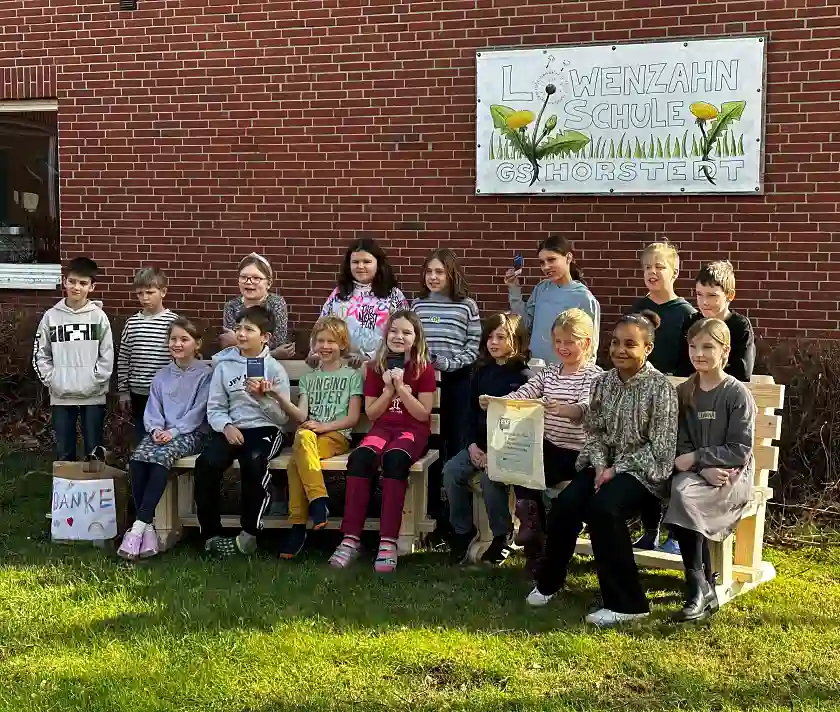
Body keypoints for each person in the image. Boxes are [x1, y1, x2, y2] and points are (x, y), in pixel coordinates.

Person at [526, 312, 678, 628]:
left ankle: (628, 603)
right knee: (566, 505)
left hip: (644, 472)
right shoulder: (603, 383)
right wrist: (598, 465)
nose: (620, 350)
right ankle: (549, 582)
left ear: (648, 348)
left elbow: (660, 449)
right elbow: (594, 432)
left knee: (603, 510)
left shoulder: (660, 388)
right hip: (602, 466)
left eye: (630, 344)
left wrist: (615, 469)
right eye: (616, 342)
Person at [493, 308, 602, 575]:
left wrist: (567, 409)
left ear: (586, 343)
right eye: (558, 342)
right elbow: (525, 392)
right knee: (520, 454)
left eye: (569, 342)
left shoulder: (595, 376)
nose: (562, 348)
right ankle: (531, 530)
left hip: (578, 453)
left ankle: (536, 536)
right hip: (549, 448)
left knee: (535, 465)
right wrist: (498, 403)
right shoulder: (550, 373)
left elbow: (589, 409)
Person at [328, 310, 436, 573]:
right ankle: (350, 538)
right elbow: (373, 413)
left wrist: (401, 389)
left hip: (411, 432)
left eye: (407, 332)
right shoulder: (375, 367)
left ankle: (388, 540)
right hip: (383, 428)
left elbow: (423, 414)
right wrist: (389, 389)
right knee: (361, 458)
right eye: (394, 331)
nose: (399, 337)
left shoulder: (423, 369)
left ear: (416, 338)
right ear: (386, 334)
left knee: (395, 459)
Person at [664, 318, 756, 623]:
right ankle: (701, 585)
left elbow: (740, 448)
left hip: (732, 475)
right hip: (701, 474)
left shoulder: (736, 394)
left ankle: (699, 586)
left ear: (725, 351)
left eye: (707, 346)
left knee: (682, 493)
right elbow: (679, 442)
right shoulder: (686, 391)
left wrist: (699, 460)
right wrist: (701, 467)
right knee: (680, 490)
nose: (698, 353)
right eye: (693, 346)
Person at [195, 305, 291, 556]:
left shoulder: (274, 370)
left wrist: (262, 398)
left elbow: (282, 419)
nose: (242, 334)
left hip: (265, 430)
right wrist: (226, 427)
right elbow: (215, 406)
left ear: (265, 337)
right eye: (239, 328)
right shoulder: (224, 367)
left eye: (249, 329)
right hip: (231, 429)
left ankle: (249, 534)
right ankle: (211, 534)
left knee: (253, 462)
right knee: (207, 463)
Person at [267, 317, 363, 559]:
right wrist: (279, 397)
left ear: (342, 344)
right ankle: (317, 503)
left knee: (298, 453)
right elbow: (301, 414)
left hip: (336, 436)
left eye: (331, 341)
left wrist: (323, 426)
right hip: (309, 437)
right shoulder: (309, 378)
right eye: (320, 341)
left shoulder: (352, 376)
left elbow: (352, 418)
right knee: (300, 447)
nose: (325, 346)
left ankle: (299, 525)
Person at [118, 317, 212, 560]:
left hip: (191, 434)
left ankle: (138, 527)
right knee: (139, 457)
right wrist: (156, 429)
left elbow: (198, 412)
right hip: (161, 432)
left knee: (160, 457)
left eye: (184, 339)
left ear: (197, 344)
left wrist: (174, 432)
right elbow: (153, 408)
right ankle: (148, 528)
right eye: (173, 339)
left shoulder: (205, 374)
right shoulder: (161, 375)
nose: (177, 344)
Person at [443, 313, 530, 566]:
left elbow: (522, 423)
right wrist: (471, 446)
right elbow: (469, 415)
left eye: (501, 337)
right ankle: (462, 531)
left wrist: (495, 454)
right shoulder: (481, 373)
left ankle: (502, 535)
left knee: (490, 478)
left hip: (507, 448)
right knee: (451, 471)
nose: (493, 342)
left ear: (517, 339)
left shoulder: (523, 376)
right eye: (490, 337)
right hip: (478, 446)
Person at [630, 240, 695, 554]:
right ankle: (650, 529)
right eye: (646, 267)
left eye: (659, 266)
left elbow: (691, 361)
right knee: (646, 465)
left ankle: (675, 534)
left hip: (676, 400)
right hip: (642, 401)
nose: (652, 272)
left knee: (672, 466)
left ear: (675, 271)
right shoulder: (637, 310)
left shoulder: (686, 314)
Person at [32, 256, 114, 461]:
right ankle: (66, 492)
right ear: (65, 281)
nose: (76, 287)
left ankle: (94, 491)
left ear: (92, 287)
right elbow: (40, 353)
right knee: (64, 453)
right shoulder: (51, 317)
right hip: (61, 394)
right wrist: (54, 379)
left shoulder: (98, 317)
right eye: (72, 281)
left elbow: (107, 354)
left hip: (93, 394)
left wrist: (96, 380)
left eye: (83, 283)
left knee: (94, 453)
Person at [411, 248, 481, 461]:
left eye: (439, 272)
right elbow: (411, 343)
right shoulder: (417, 305)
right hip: (424, 380)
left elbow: (473, 347)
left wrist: (449, 364)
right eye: (429, 271)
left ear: (451, 274)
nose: (433, 277)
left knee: (456, 432)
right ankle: (430, 490)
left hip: (458, 379)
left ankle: (451, 488)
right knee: (430, 434)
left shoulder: (466, 306)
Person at [505, 235, 600, 365]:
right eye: (542, 262)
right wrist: (514, 289)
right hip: (536, 367)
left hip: (566, 374)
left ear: (568, 258)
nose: (546, 267)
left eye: (551, 260)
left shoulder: (584, 298)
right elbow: (524, 323)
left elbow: (591, 347)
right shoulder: (541, 289)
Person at [318, 237, 407, 366]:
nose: (360, 266)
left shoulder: (393, 295)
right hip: (342, 366)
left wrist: (370, 357)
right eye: (355, 262)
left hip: (382, 366)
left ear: (378, 264)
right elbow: (321, 327)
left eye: (367, 261)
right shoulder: (338, 294)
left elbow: (404, 333)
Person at [117, 267, 179, 444]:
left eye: (150, 292)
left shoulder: (172, 322)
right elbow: (124, 358)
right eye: (140, 293)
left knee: (163, 435)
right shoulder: (132, 323)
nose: (144, 298)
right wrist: (123, 392)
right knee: (141, 435)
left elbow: (179, 358)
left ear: (163, 292)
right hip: (138, 392)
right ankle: (140, 469)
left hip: (166, 392)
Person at [675, 260, 755, 382]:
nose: (704, 302)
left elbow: (742, 373)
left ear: (730, 295)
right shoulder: (691, 322)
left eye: (712, 295)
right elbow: (682, 368)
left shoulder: (740, 326)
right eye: (699, 294)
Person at [221, 253, 295, 359]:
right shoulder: (231, 306)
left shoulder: (276, 303)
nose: (249, 282)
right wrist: (273, 353)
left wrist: (238, 343)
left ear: (268, 283)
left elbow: (277, 342)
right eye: (244, 277)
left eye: (256, 278)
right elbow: (229, 345)